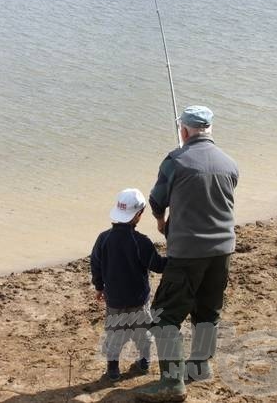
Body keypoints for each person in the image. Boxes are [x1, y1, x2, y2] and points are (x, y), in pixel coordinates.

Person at [135, 105, 239, 402]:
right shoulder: (229, 163)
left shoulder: (175, 160)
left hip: (187, 252)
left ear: (184, 131)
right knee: (208, 310)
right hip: (222, 251)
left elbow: (157, 200)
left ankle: (172, 383)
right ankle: (200, 366)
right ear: (210, 129)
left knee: (164, 317)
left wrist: (159, 222)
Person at [90, 188, 167, 381]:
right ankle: (144, 361)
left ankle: (113, 369)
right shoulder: (141, 242)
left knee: (114, 335)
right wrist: (174, 258)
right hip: (138, 300)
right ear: (139, 215)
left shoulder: (103, 238)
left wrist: (99, 286)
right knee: (143, 334)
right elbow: (157, 266)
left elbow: (96, 263)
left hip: (114, 300)